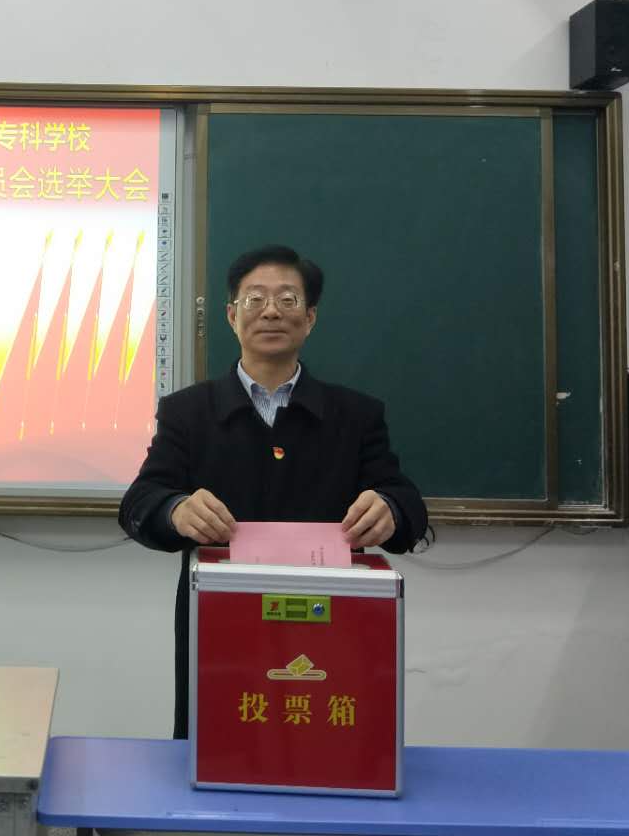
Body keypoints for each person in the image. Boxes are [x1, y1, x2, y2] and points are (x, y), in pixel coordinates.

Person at [118, 244, 428, 739]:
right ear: (231, 315)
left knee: (326, 744)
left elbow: (405, 500)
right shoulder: (188, 412)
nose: (270, 312)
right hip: (221, 620)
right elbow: (140, 501)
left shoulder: (356, 415)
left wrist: (390, 508)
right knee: (220, 745)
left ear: (310, 318)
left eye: (287, 300)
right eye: (255, 299)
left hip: (332, 617)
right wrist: (175, 510)